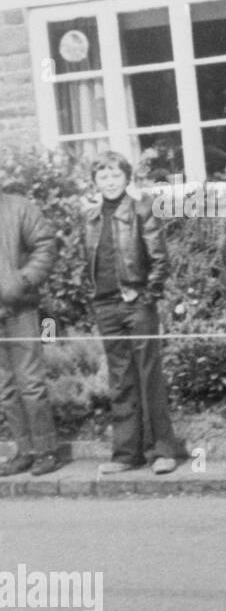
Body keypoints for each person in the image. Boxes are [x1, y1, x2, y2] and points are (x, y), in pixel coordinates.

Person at [81, 153, 182, 474]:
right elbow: (86, 262)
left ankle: (162, 451)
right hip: (106, 306)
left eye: (115, 176)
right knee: (120, 380)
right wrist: (96, 298)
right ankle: (127, 454)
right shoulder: (90, 217)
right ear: (95, 183)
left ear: (126, 179)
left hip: (137, 304)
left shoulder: (142, 209)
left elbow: (159, 260)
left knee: (148, 375)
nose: (110, 183)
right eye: (103, 178)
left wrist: (146, 297)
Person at [0, 181, 61, 477]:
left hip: (21, 309)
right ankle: (24, 451)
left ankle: (47, 450)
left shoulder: (20, 207)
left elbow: (46, 246)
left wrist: (21, 281)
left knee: (31, 384)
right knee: (5, 388)